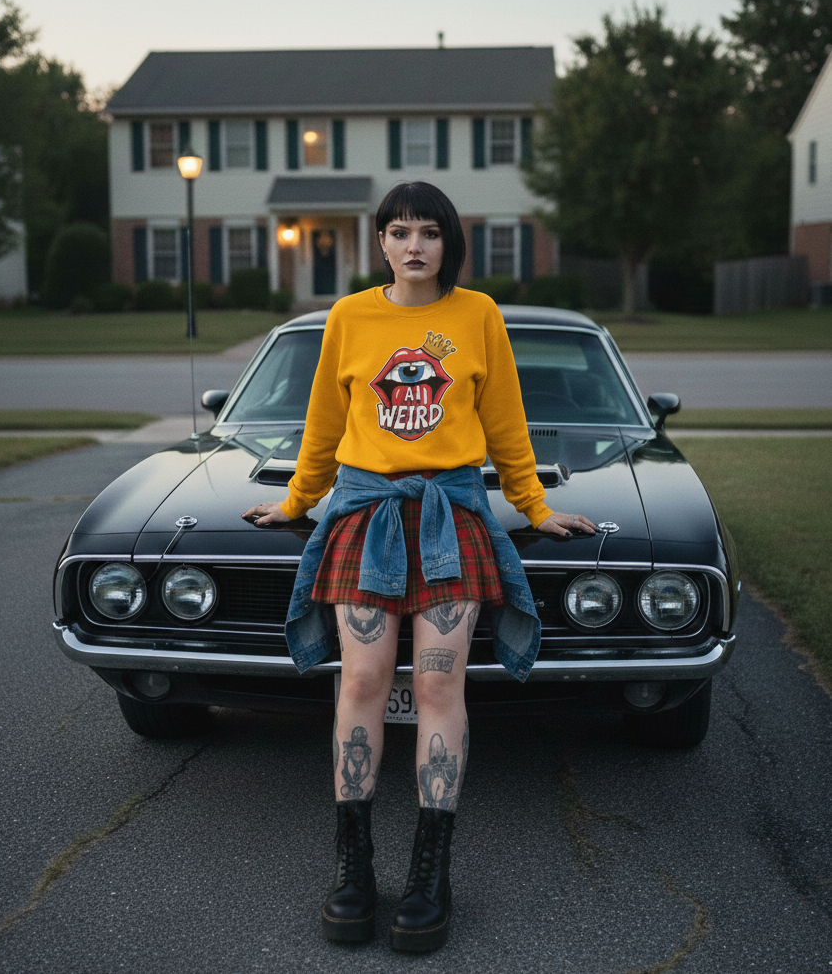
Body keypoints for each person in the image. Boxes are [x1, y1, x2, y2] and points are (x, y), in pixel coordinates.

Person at [243, 181, 595, 952]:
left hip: (450, 516)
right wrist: (297, 499)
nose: (414, 246)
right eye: (399, 231)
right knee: (362, 679)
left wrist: (535, 507)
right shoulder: (349, 316)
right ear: (380, 241)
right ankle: (354, 865)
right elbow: (323, 423)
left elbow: (505, 423)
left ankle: (431, 874)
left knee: (439, 684)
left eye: (428, 232)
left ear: (448, 242)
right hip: (366, 514)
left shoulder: (478, 314)